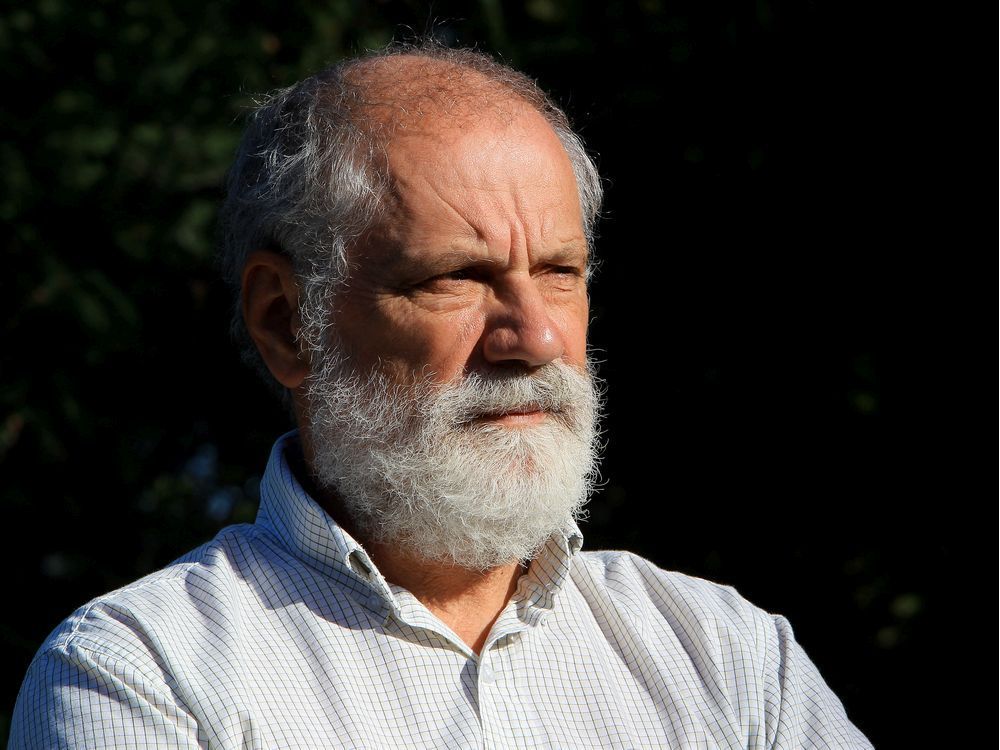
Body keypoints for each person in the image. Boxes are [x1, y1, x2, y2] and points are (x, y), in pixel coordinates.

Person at [9, 42, 874, 749]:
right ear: (286, 322)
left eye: (560, 272)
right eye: (456, 277)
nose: (534, 337)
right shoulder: (145, 674)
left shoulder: (725, 653)